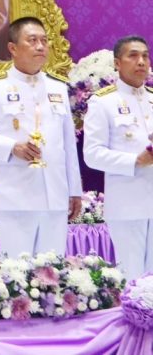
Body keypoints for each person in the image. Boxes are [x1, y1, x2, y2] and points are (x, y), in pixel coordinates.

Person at [0, 17, 83, 257]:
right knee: (17, 270)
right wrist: (11, 147)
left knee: (53, 269)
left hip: (54, 195)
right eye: (32, 40)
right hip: (16, 197)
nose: (40, 46)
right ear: (13, 48)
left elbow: (68, 145)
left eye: (44, 41)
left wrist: (74, 190)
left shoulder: (57, 87)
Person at [83, 35, 153, 279]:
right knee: (133, 277)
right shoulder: (104, 102)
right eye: (133, 55)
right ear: (117, 63)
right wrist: (135, 161)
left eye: (145, 56)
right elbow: (92, 154)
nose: (141, 61)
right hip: (128, 203)